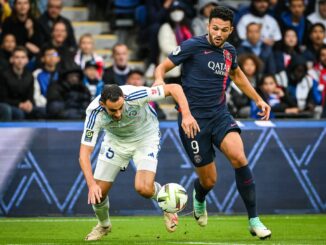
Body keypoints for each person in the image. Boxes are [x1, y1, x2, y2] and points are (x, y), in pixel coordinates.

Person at [154, 6, 272, 239]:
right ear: (208, 26)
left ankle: (254, 220)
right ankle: (199, 196)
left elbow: (237, 75)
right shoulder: (192, 46)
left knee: (239, 157)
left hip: (220, 116)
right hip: (192, 122)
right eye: (215, 28)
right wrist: (158, 83)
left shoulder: (229, 52)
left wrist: (258, 99)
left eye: (224, 30)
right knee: (209, 180)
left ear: (230, 31)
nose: (218, 33)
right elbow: (163, 67)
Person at [79, 84, 199, 241]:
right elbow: (84, 154)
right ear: (102, 104)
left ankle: (166, 203)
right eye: (113, 110)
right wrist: (91, 185)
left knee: (143, 188)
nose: (118, 113)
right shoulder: (94, 113)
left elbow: (175, 88)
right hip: (115, 143)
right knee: (98, 194)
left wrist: (187, 115)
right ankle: (104, 225)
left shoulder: (136, 95)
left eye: (121, 107)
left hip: (145, 138)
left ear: (124, 99)